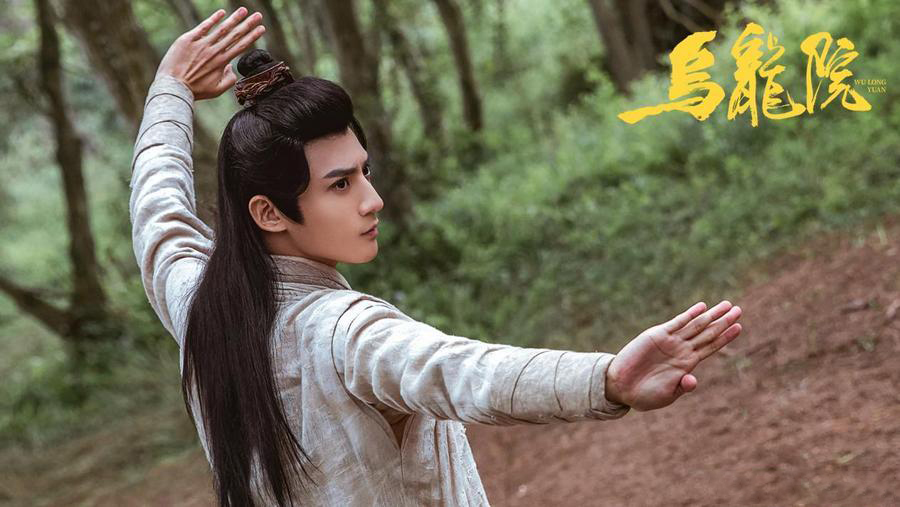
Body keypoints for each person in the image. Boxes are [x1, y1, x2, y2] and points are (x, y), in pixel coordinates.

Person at [130, 7, 744, 507]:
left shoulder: (197, 302)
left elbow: (157, 208)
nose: (372, 200)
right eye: (339, 185)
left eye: (364, 172)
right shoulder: (342, 333)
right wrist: (604, 381)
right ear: (268, 212)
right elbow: (464, 371)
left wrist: (171, 90)